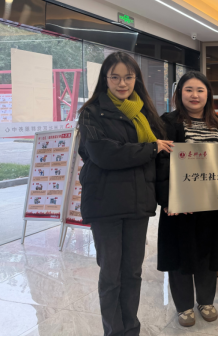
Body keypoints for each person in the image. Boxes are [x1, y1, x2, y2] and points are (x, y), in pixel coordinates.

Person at [78, 52, 174, 336]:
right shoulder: (92, 112)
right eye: (115, 77)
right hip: (105, 204)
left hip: (138, 203)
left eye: (128, 77)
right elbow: (104, 154)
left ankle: (131, 329)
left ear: (136, 79)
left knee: (132, 273)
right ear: (105, 79)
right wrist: (150, 148)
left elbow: (160, 159)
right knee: (111, 275)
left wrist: (167, 198)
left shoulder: (145, 112)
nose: (122, 83)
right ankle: (114, 332)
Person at [155, 72, 218, 328]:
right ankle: (184, 306)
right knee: (180, 253)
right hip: (180, 204)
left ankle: (206, 301)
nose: (195, 95)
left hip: (213, 203)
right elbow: (160, 163)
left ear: (208, 94)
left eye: (200, 90)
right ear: (179, 93)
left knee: (208, 253)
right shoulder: (167, 122)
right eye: (189, 90)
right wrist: (168, 199)